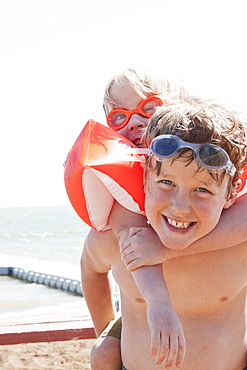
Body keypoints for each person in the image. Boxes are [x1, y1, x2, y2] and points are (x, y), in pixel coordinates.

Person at [81, 97, 247, 369]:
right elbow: (90, 270)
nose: (180, 208)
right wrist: (108, 334)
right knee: (103, 353)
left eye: (202, 190)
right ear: (145, 179)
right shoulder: (120, 239)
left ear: (230, 193)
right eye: (167, 182)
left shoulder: (238, 244)